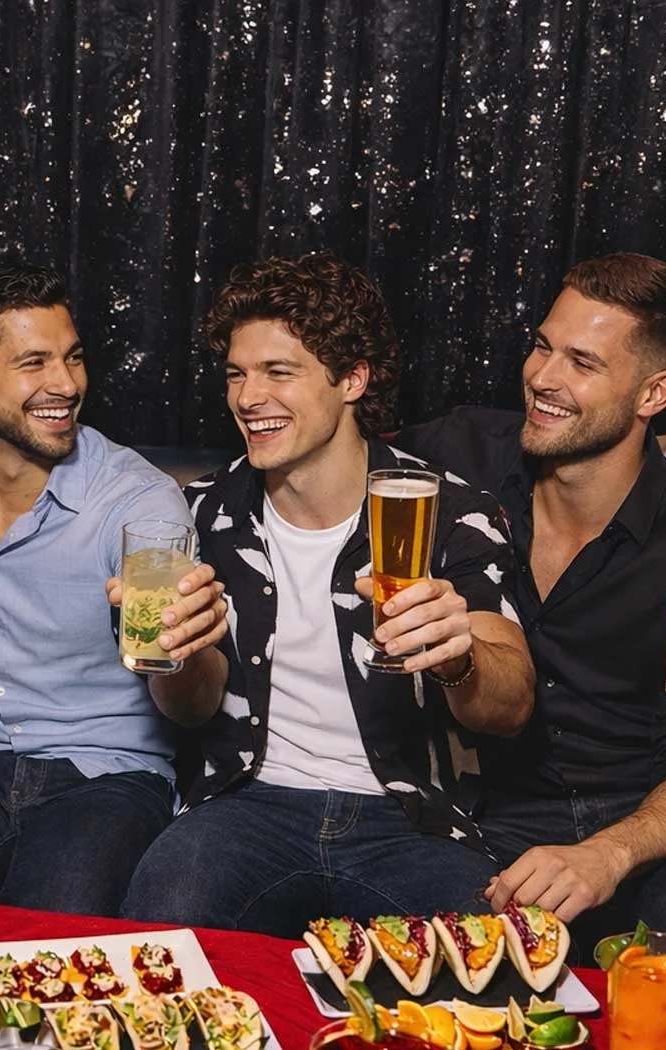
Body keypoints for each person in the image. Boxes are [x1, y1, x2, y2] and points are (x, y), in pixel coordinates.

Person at [119, 253, 533, 936]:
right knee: (157, 937)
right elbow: (190, 711)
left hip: (408, 820)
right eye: (236, 373)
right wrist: (179, 649)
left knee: (490, 975)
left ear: (352, 379)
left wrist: (459, 658)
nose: (248, 397)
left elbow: (512, 704)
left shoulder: (445, 511)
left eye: (279, 372)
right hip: (245, 806)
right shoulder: (200, 515)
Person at [397, 253, 666, 980]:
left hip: (641, 828)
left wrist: (611, 853)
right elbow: (324, 456)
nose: (542, 377)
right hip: (477, 813)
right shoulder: (459, 453)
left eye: (582, 362)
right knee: (442, 988)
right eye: (542, 345)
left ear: (653, 393)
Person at [0, 261, 229, 915]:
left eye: (74, 358)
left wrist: (186, 649)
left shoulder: (137, 503)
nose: (66, 384)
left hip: (107, 774)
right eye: (34, 363)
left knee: (55, 927)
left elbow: (191, 709)